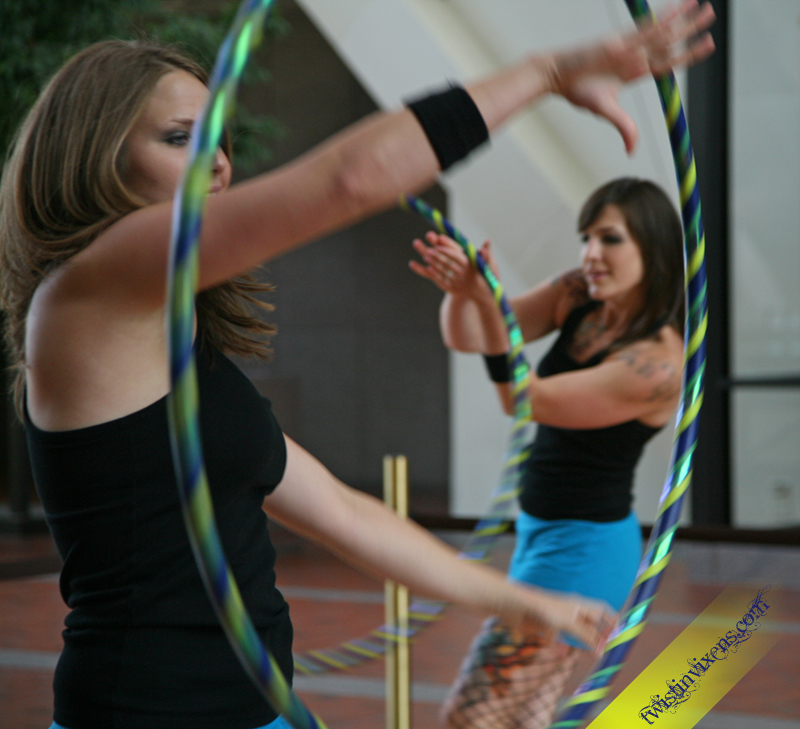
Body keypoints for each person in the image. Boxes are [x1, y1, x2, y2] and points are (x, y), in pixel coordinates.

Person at [0, 2, 713, 727]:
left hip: (257, 708)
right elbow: (350, 180)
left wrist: (518, 600)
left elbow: (343, 513)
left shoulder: (182, 352)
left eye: (219, 138)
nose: (216, 160)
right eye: (181, 137)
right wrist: (548, 71)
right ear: (95, 156)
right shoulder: (85, 292)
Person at [410, 177, 687, 728]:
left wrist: (485, 300)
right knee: (524, 718)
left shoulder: (657, 363)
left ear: (653, 251)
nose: (591, 254)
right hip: (540, 533)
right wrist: (466, 292)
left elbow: (524, 399)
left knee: (470, 717)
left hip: (584, 551)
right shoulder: (578, 295)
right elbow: (470, 335)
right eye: (587, 238)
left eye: (610, 239)